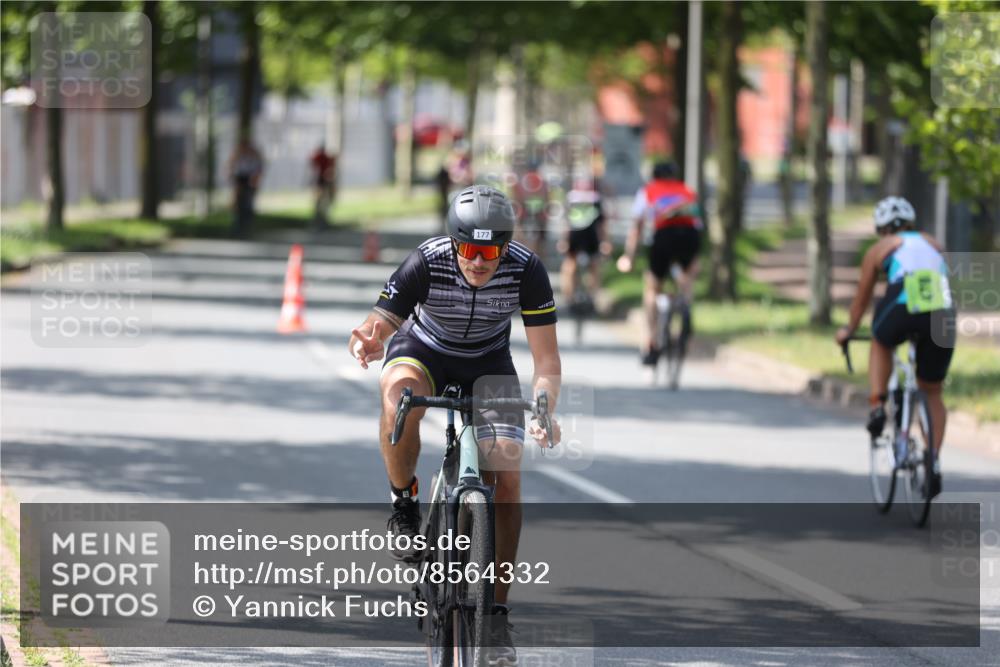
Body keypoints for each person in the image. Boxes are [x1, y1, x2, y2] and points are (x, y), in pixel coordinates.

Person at [347, 184, 562, 665]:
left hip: (488, 364)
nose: (479, 261)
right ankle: (404, 502)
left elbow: (546, 360)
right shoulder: (427, 260)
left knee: (507, 478)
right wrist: (369, 337)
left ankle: (496, 617)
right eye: (469, 248)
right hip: (423, 352)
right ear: (454, 242)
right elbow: (381, 321)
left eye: (490, 251)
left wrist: (545, 407)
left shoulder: (527, 270)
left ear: (505, 247)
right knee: (399, 399)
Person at [835, 196, 956, 498]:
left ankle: (877, 406)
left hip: (905, 299)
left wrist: (849, 330)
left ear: (881, 229)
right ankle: (933, 460)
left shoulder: (881, 248)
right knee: (933, 390)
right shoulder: (934, 242)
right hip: (943, 310)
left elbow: (862, 298)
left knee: (880, 339)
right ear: (912, 224)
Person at [616, 161, 703, 365]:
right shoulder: (686, 191)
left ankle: (651, 343)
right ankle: (685, 307)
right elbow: (697, 224)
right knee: (687, 277)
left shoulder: (648, 191)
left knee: (652, 288)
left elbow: (637, 226)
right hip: (690, 237)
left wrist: (629, 256)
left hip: (664, 236)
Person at [559, 176, 611, 311]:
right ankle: (592, 295)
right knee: (593, 266)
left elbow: (566, 223)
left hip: (576, 235)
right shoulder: (596, 199)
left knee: (570, 265)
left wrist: (563, 240)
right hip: (590, 235)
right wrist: (605, 242)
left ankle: (569, 298)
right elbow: (602, 224)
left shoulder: (572, 198)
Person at [228, 138, 264, 237]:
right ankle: (237, 226)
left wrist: (254, 181)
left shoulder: (254, 156)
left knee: (248, 203)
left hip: (250, 180)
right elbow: (231, 169)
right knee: (237, 204)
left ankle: (247, 226)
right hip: (240, 179)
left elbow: (258, 170)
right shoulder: (237, 156)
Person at [309, 145, 337, 229]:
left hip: (323, 181)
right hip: (321, 181)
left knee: (323, 201)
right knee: (320, 201)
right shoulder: (321, 157)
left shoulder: (323, 157)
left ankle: (321, 219)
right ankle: (319, 219)